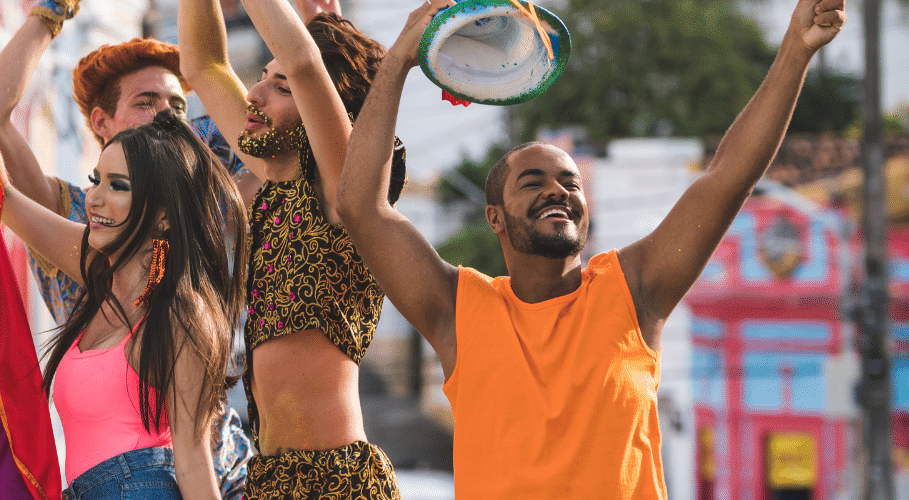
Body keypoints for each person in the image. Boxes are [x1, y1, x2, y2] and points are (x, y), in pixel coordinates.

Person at [336, 0, 847, 497]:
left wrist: (795, 52)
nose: (557, 191)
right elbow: (362, 207)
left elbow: (726, 177)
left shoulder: (634, 289)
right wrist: (398, 61)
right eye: (532, 182)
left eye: (570, 183)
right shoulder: (459, 310)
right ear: (494, 217)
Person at [0, 2, 254, 495]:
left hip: (206, 463)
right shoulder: (78, 215)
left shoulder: (195, 204)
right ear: (101, 122)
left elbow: (256, 113)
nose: (165, 115)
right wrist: (50, 12)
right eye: (146, 102)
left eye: (177, 105)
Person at [178, 0, 435, 496]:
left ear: (329, 106)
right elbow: (203, 65)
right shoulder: (272, 178)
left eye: (279, 87)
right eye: (261, 77)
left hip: (339, 480)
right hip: (269, 478)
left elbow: (304, 62)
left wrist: (300, 51)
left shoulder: (346, 193)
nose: (254, 95)